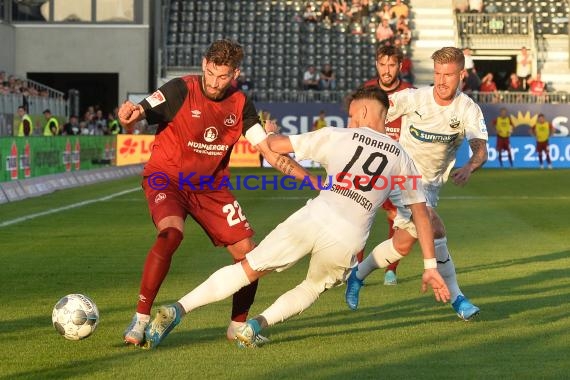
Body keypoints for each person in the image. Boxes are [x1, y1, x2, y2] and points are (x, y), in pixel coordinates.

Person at [142, 86, 451, 349]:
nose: (350, 120)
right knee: (311, 288)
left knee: (247, 269)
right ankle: (255, 325)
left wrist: (270, 132)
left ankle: (178, 308)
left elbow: (274, 147)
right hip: (348, 238)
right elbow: (421, 216)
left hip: (314, 216)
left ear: (367, 113)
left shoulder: (337, 135)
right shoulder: (402, 158)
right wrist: (428, 266)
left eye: (354, 114)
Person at [117, 39, 316, 347]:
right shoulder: (179, 89)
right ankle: (141, 317)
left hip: (211, 187)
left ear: (235, 73)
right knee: (171, 233)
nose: (214, 82)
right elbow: (138, 113)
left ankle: (237, 326)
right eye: (211, 73)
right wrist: (128, 114)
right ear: (203, 64)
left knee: (253, 257)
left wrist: (312, 181)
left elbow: (268, 151)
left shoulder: (240, 104)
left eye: (223, 76)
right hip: (166, 177)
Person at [346, 47, 488, 321]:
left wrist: (470, 165)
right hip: (400, 175)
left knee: (401, 244)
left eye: (448, 75)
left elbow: (480, 149)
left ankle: (358, 274)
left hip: (430, 186)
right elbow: (376, 111)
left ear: (461, 75)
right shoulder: (414, 98)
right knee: (434, 226)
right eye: (437, 74)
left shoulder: (468, 109)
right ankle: (457, 298)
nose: (441, 81)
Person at [358, 45, 414, 285]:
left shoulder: (410, 94)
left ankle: (391, 269)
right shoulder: (367, 90)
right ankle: (356, 270)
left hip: (398, 167)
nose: (387, 69)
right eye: (383, 64)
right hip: (368, 166)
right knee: (360, 218)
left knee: (397, 219)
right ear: (376, 65)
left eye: (392, 64)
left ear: (400, 66)